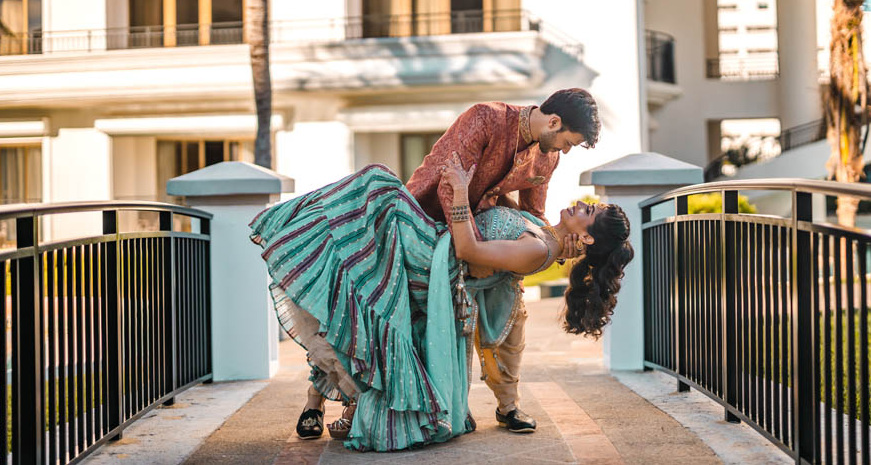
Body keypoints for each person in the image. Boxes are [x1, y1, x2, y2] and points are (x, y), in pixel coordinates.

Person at [250, 156, 633, 453]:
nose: (583, 204)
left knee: (378, 183)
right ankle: (290, 235)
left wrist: (461, 192)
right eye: (590, 204)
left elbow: (468, 249)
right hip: (434, 248)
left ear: (586, 240)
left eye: (589, 212)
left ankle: (281, 228)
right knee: (364, 217)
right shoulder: (543, 232)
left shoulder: (537, 250)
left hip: (436, 260)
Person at [404, 88, 600, 433]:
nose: (566, 151)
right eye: (568, 142)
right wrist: (473, 253)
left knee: (513, 313)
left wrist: (553, 250)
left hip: (487, 243)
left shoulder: (547, 157)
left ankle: (508, 405)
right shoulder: (486, 118)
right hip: (424, 227)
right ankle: (324, 402)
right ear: (553, 122)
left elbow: (533, 212)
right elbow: (451, 186)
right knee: (411, 323)